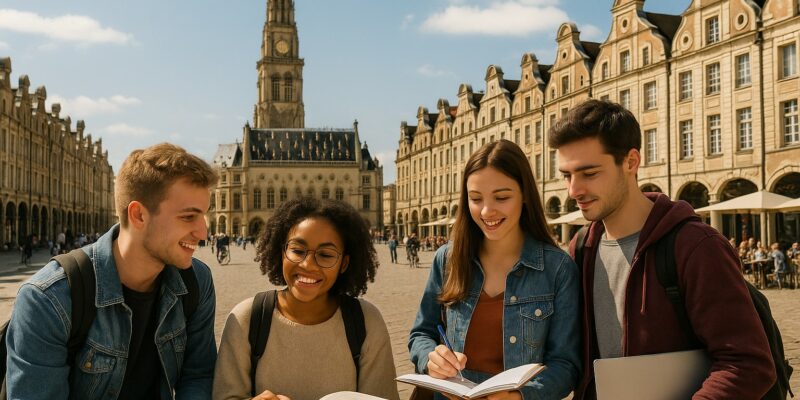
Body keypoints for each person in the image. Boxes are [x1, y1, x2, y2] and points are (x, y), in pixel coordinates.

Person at [549, 99, 775, 399]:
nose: (573, 190)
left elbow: (747, 363)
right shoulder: (581, 248)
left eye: (589, 174)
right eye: (567, 175)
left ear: (631, 162)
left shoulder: (696, 246)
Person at [6, 143, 219, 399]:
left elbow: (198, 376)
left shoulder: (196, 281)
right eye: (188, 217)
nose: (203, 233)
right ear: (138, 215)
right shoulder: (49, 299)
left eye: (203, 216)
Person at [408, 140, 580, 400]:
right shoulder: (447, 259)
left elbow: (566, 365)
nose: (487, 211)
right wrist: (430, 358)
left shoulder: (558, 269)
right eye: (476, 199)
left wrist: (521, 396)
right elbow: (422, 333)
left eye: (501, 197)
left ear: (525, 195)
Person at [213, 197, 399, 400]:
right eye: (298, 250)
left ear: (344, 264)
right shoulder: (246, 319)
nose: (308, 265)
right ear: (282, 252)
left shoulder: (366, 322)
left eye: (325, 255)